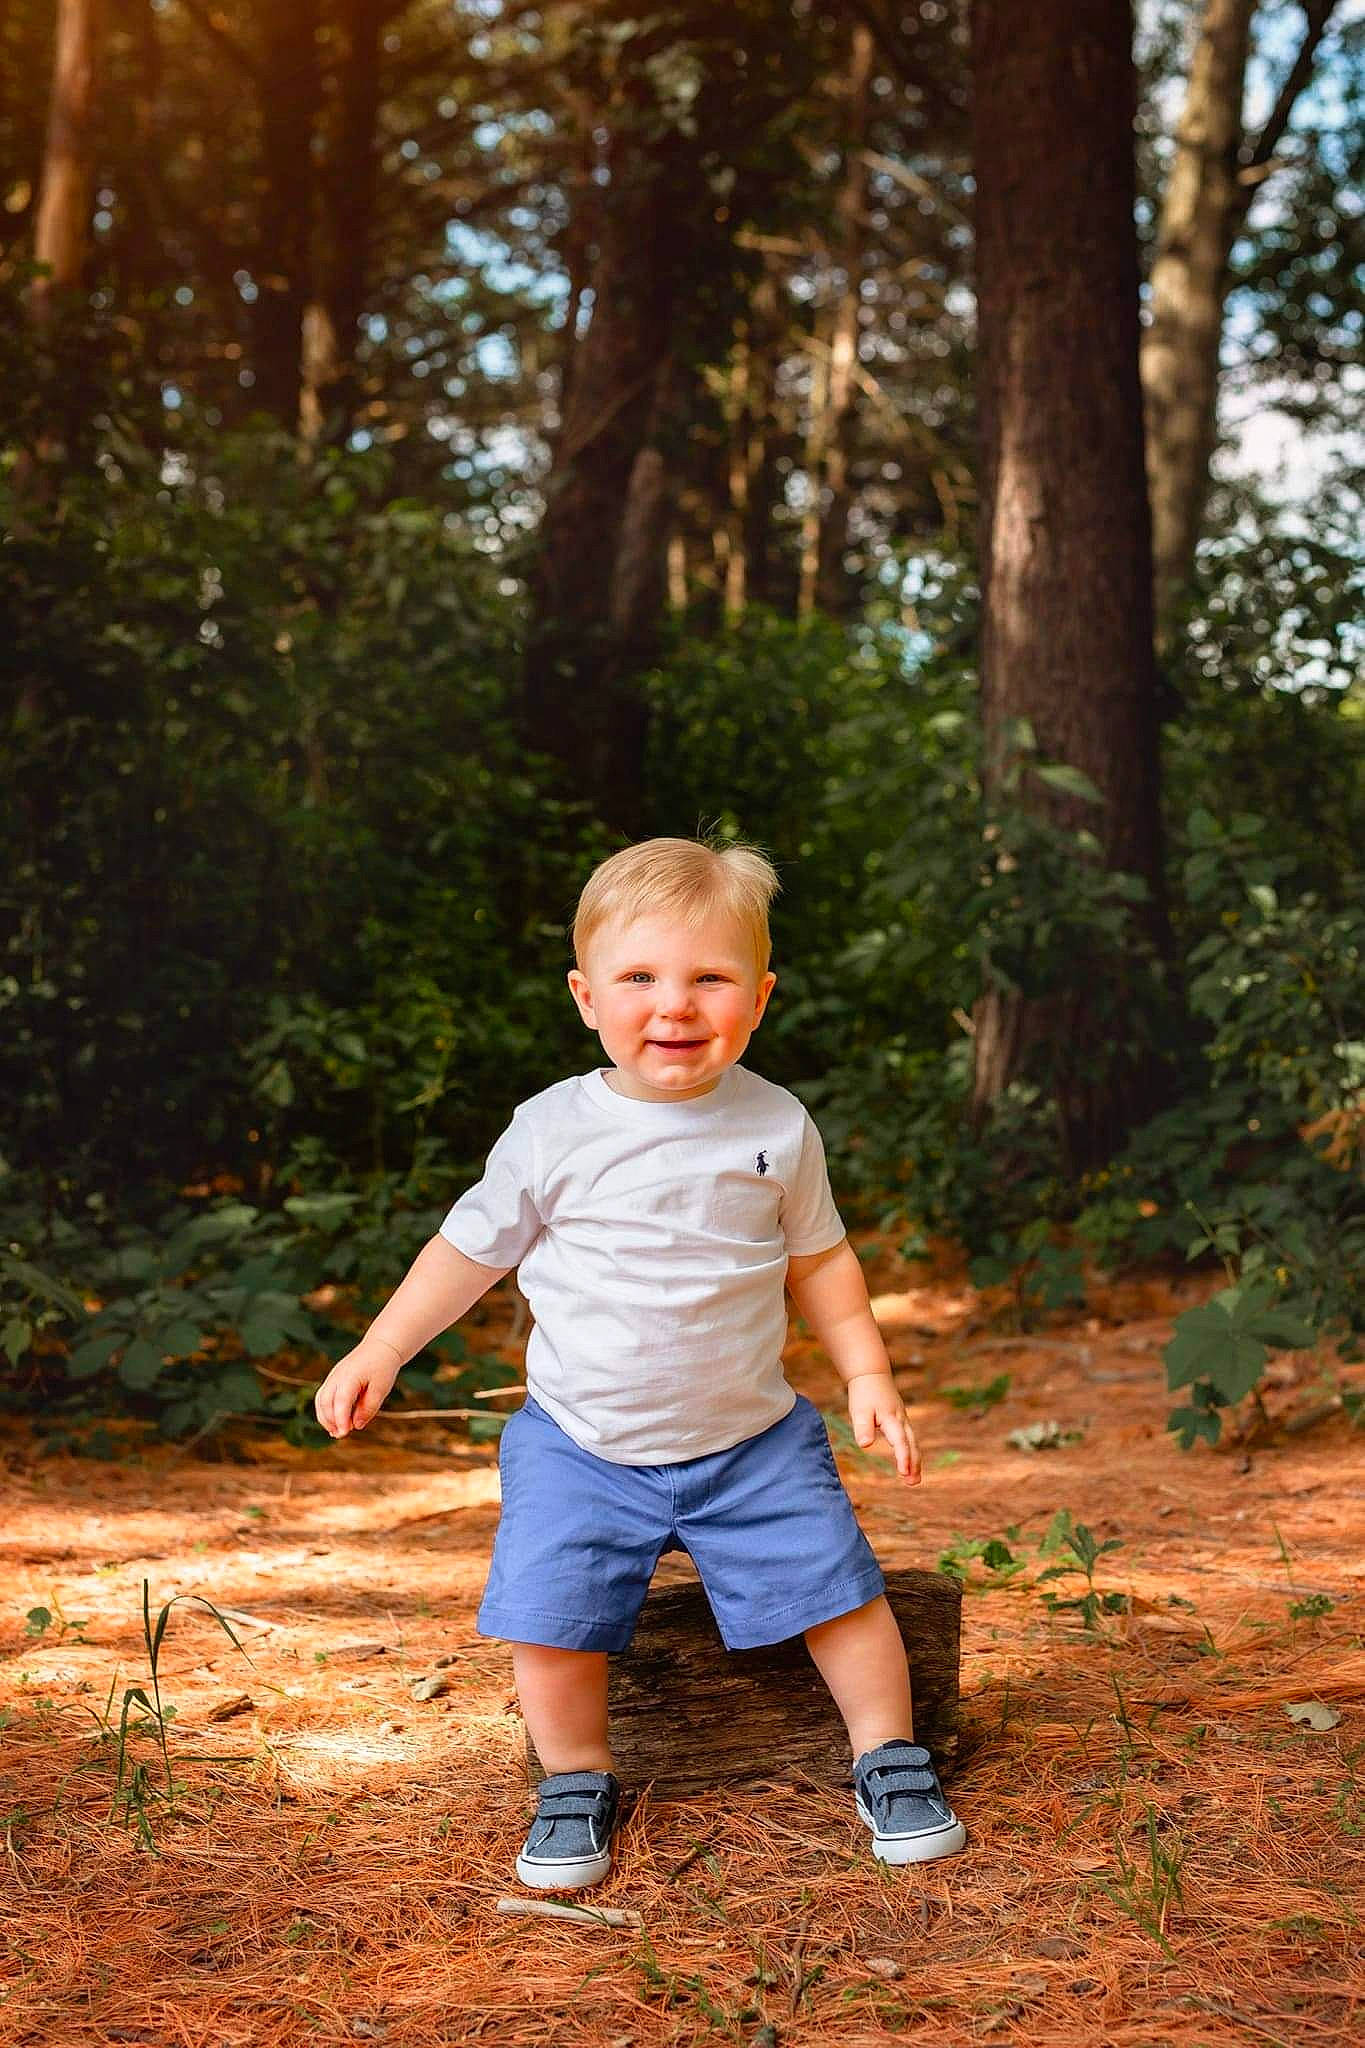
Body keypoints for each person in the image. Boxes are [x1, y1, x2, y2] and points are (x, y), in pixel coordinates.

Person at [314, 836, 966, 1888]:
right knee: (548, 1615)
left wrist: (868, 1375)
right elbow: (465, 1250)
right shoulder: (552, 1129)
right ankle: (573, 1776)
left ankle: (887, 1754)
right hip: (581, 1444)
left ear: (759, 996)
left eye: (710, 977)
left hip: (751, 1440)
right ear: (585, 997)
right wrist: (381, 1345)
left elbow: (824, 1260)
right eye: (640, 976)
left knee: (842, 1592)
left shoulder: (777, 1124)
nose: (676, 1003)